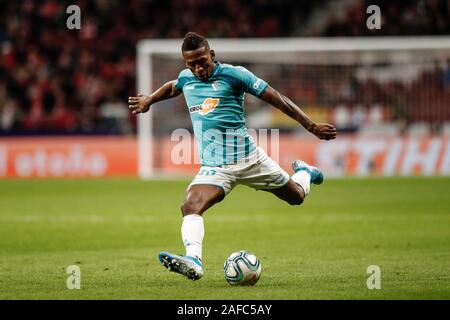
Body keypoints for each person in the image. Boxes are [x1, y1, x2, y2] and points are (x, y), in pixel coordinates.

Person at [128, 32, 336, 280]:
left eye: (202, 61)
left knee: (296, 197)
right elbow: (173, 86)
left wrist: (311, 126)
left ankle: (304, 173)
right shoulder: (187, 78)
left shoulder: (235, 75)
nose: (198, 68)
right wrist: (150, 99)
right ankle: (194, 260)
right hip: (216, 167)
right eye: (191, 63)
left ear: (212, 55)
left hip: (250, 161)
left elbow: (277, 99)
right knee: (190, 205)